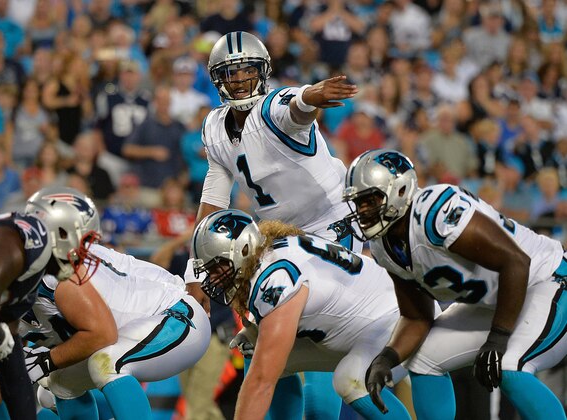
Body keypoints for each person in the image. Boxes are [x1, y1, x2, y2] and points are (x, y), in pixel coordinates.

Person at [177, 30, 362, 419]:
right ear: (218, 80)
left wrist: (311, 96)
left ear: (262, 72)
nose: (241, 80)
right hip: (282, 239)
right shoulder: (214, 125)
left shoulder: (271, 108)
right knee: (266, 344)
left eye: (247, 71)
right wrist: (195, 271)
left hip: (335, 228)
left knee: (314, 339)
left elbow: (294, 106)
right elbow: (214, 195)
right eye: (232, 73)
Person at [342, 148, 567, 419]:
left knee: (509, 366)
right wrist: (387, 358)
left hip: (546, 279)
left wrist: (498, 338)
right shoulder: (383, 246)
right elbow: (416, 317)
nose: (364, 210)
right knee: (423, 359)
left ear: (400, 190)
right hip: (499, 300)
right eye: (358, 203)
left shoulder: (436, 212)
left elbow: (516, 262)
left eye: (371, 199)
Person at [190, 209, 411, 419]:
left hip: (398, 322)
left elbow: (261, 381)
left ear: (245, 249)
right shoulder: (268, 253)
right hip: (364, 324)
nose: (214, 278)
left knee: (351, 381)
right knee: (254, 346)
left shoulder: (276, 278)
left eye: (219, 266)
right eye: (209, 271)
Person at [19, 214, 211, 420]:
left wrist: (46, 361)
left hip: (177, 316)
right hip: (143, 320)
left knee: (106, 364)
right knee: (60, 383)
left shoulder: (56, 277)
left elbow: (101, 335)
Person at [0, 185, 99, 419]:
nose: (83, 253)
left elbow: (14, 374)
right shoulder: (33, 237)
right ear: (61, 229)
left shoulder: (28, 280)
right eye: (83, 242)